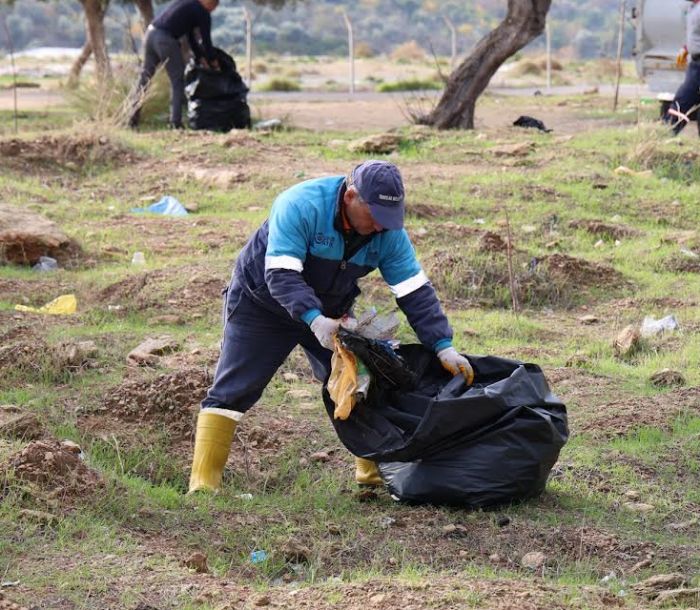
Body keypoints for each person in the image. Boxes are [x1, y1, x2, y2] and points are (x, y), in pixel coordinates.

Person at [188, 160, 474, 494]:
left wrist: (443, 345)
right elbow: (281, 273)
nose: (383, 229)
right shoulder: (300, 205)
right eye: (377, 218)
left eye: (389, 220)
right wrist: (314, 320)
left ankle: (374, 478)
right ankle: (203, 485)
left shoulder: (389, 233)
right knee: (234, 389)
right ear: (352, 196)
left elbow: (413, 291)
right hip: (262, 305)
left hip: (332, 312)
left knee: (361, 384)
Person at [129, 0, 219, 130]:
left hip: (151, 34)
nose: (213, 10)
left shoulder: (188, 4)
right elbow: (206, 41)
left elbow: (191, 38)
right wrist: (213, 62)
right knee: (177, 79)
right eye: (214, 5)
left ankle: (131, 119)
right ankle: (175, 122)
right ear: (209, 2)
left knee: (145, 77)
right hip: (165, 39)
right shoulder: (202, 12)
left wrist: (200, 57)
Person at [666, 0, 700, 134]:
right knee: (684, 99)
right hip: (695, 62)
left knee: (683, 99)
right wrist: (687, 48)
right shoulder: (692, 8)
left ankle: (666, 132)